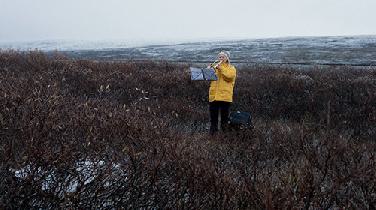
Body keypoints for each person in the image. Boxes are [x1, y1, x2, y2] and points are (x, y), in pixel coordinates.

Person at [207, 51, 237, 134]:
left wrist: (221, 69)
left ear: (227, 58)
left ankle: (224, 136)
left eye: (223, 57)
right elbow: (208, 78)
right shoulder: (215, 67)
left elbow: (229, 77)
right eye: (220, 57)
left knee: (224, 118)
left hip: (225, 96)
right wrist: (208, 70)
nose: (221, 59)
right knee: (213, 118)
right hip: (214, 96)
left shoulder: (231, 68)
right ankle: (213, 135)